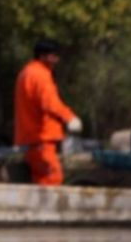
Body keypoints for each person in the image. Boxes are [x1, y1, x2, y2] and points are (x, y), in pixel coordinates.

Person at [14, 39, 81, 186]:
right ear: (43, 56)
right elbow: (49, 103)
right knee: (52, 178)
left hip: (31, 139)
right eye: (54, 56)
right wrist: (69, 118)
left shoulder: (26, 73)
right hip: (41, 139)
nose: (56, 60)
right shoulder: (40, 75)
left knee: (41, 180)